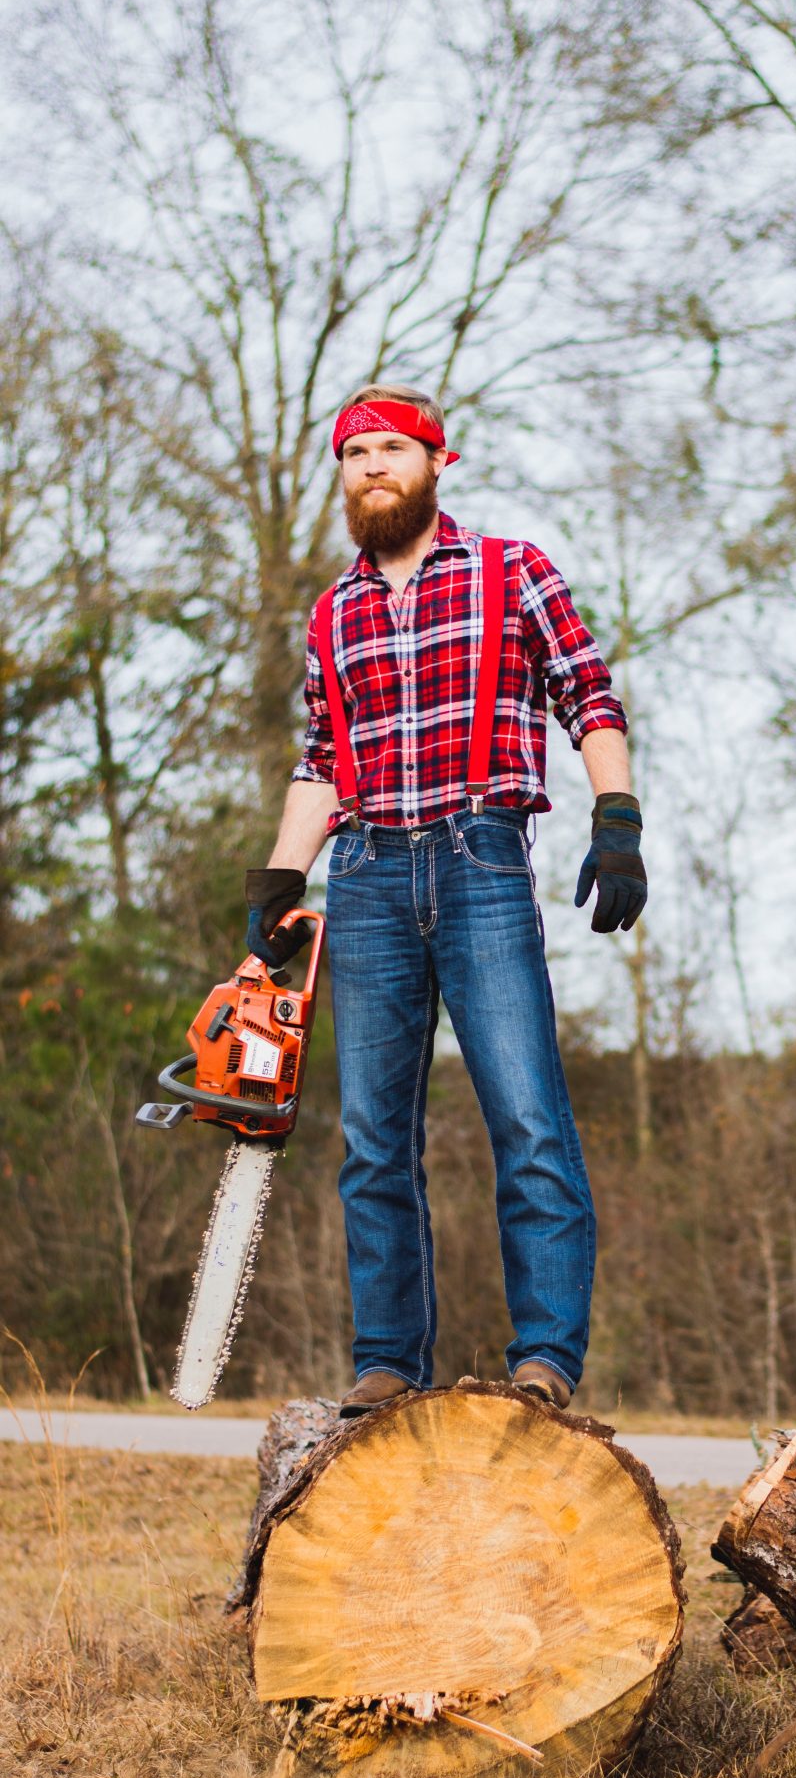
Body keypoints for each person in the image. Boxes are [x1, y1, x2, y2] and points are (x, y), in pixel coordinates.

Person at [244, 383, 646, 1416]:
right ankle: (387, 1362)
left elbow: (589, 693)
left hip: (481, 863)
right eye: (355, 454)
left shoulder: (513, 568)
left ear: (436, 462)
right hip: (367, 875)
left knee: (528, 1119)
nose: (372, 466)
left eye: (392, 448)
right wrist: (281, 880)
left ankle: (545, 1359)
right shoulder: (332, 612)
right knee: (373, 1140)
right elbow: (324, 758)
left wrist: (617, 819)